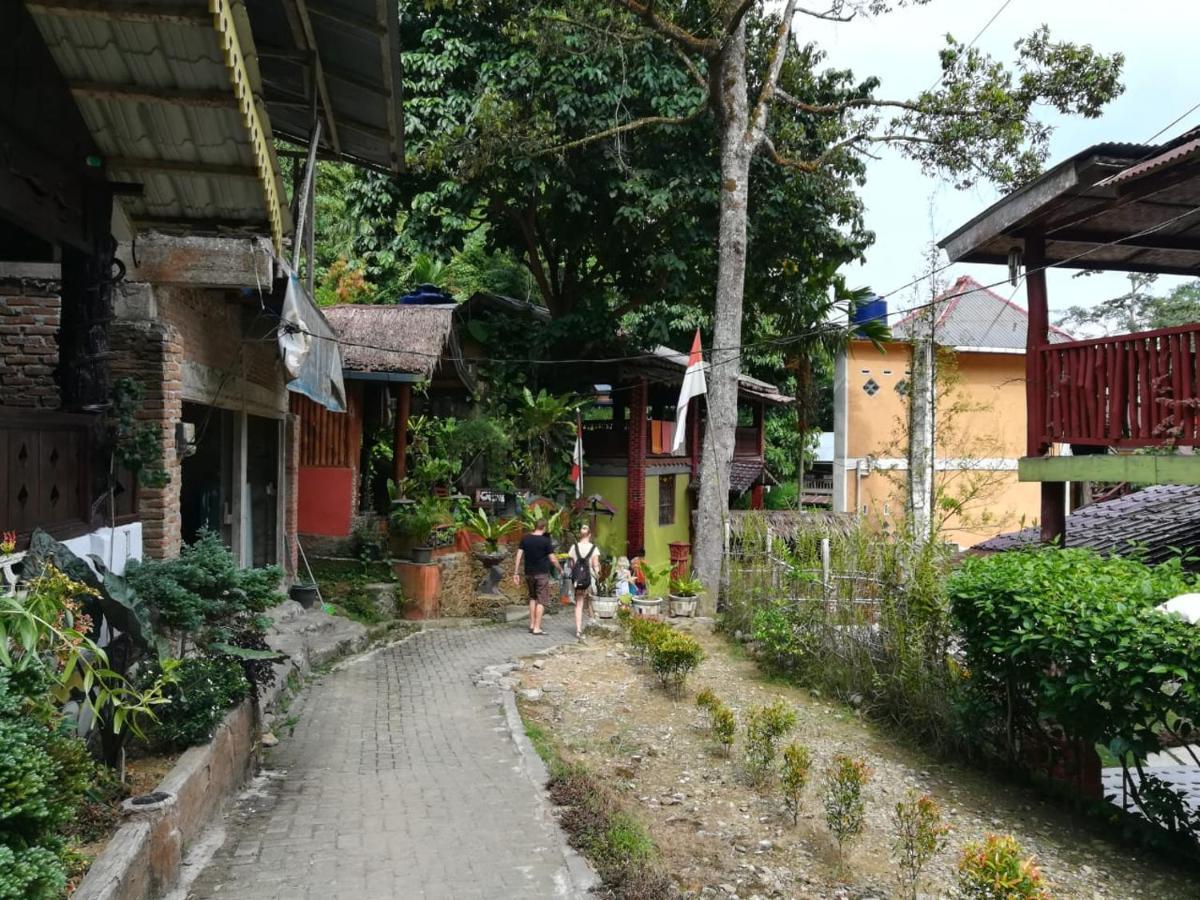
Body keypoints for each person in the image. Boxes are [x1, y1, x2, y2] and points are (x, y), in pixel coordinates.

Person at [513, 518, 561, 635]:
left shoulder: (525, 538)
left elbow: (518, 555)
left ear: (534, 527)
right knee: (541, 600)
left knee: (532, 598)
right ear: (544, 528)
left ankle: (531, 624)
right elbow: (553, 559)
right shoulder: (545, 541)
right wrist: (560, 569)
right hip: (542, 574)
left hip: (529, 573)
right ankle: (537, 628)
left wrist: (516, 572)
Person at [567, 524, 601, 638]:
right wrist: (598, 574)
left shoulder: (574, 547)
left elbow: (571, 565)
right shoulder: (594, 548)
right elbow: (595, 565)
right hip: (589, 579)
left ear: (579, 535)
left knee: (579, 603)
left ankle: (578, 630)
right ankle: (593, 621)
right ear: (590, 535)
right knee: (591, 600)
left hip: (578, 579)